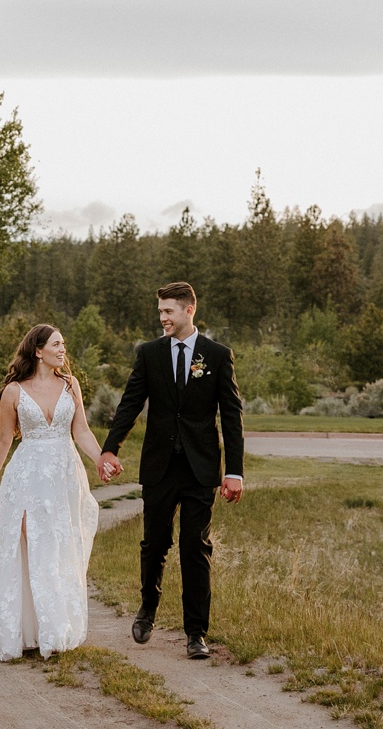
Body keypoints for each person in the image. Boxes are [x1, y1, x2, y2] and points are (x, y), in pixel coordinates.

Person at [96, 281, 244, 660]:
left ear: (188, 310)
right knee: (155, 544)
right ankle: (147, 610)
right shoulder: (149, 354)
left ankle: (196, 633)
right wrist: (110, 448)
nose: (162, 318)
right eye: (160, 311)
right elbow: (130, 403)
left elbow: (231, 416)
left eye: (168, 312)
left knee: (196, 548)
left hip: (200, 469)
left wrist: (234, 472)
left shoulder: (216, 354)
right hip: (159, 466)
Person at [0, 323, 104, 661]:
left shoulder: (70, 385)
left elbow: (81, 430)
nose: (63, 350)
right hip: (27, 475)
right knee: (31, 545)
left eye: (64, 345)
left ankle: (55, 629)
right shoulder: (14, 392)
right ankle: (25, 631)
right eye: (57, 344)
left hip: (64, 474)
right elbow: (3, 439)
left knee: (60, 546)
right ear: (38, 351)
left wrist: (101, 460)